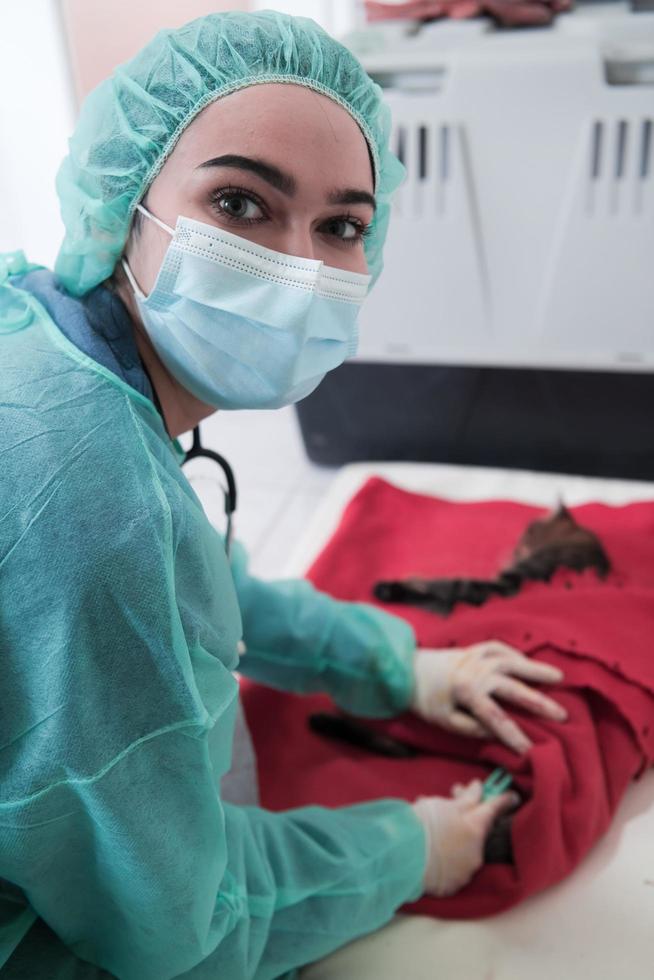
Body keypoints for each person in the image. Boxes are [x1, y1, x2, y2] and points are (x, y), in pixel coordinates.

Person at [0, 11, 566, 979]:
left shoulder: (40, 341)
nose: (300, 265)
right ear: (123, 195)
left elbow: (189, 587)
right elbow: (176, 928)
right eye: (242, 204)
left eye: (342, 225)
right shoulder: (95, 507)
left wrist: (397, 666)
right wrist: (407, 849)